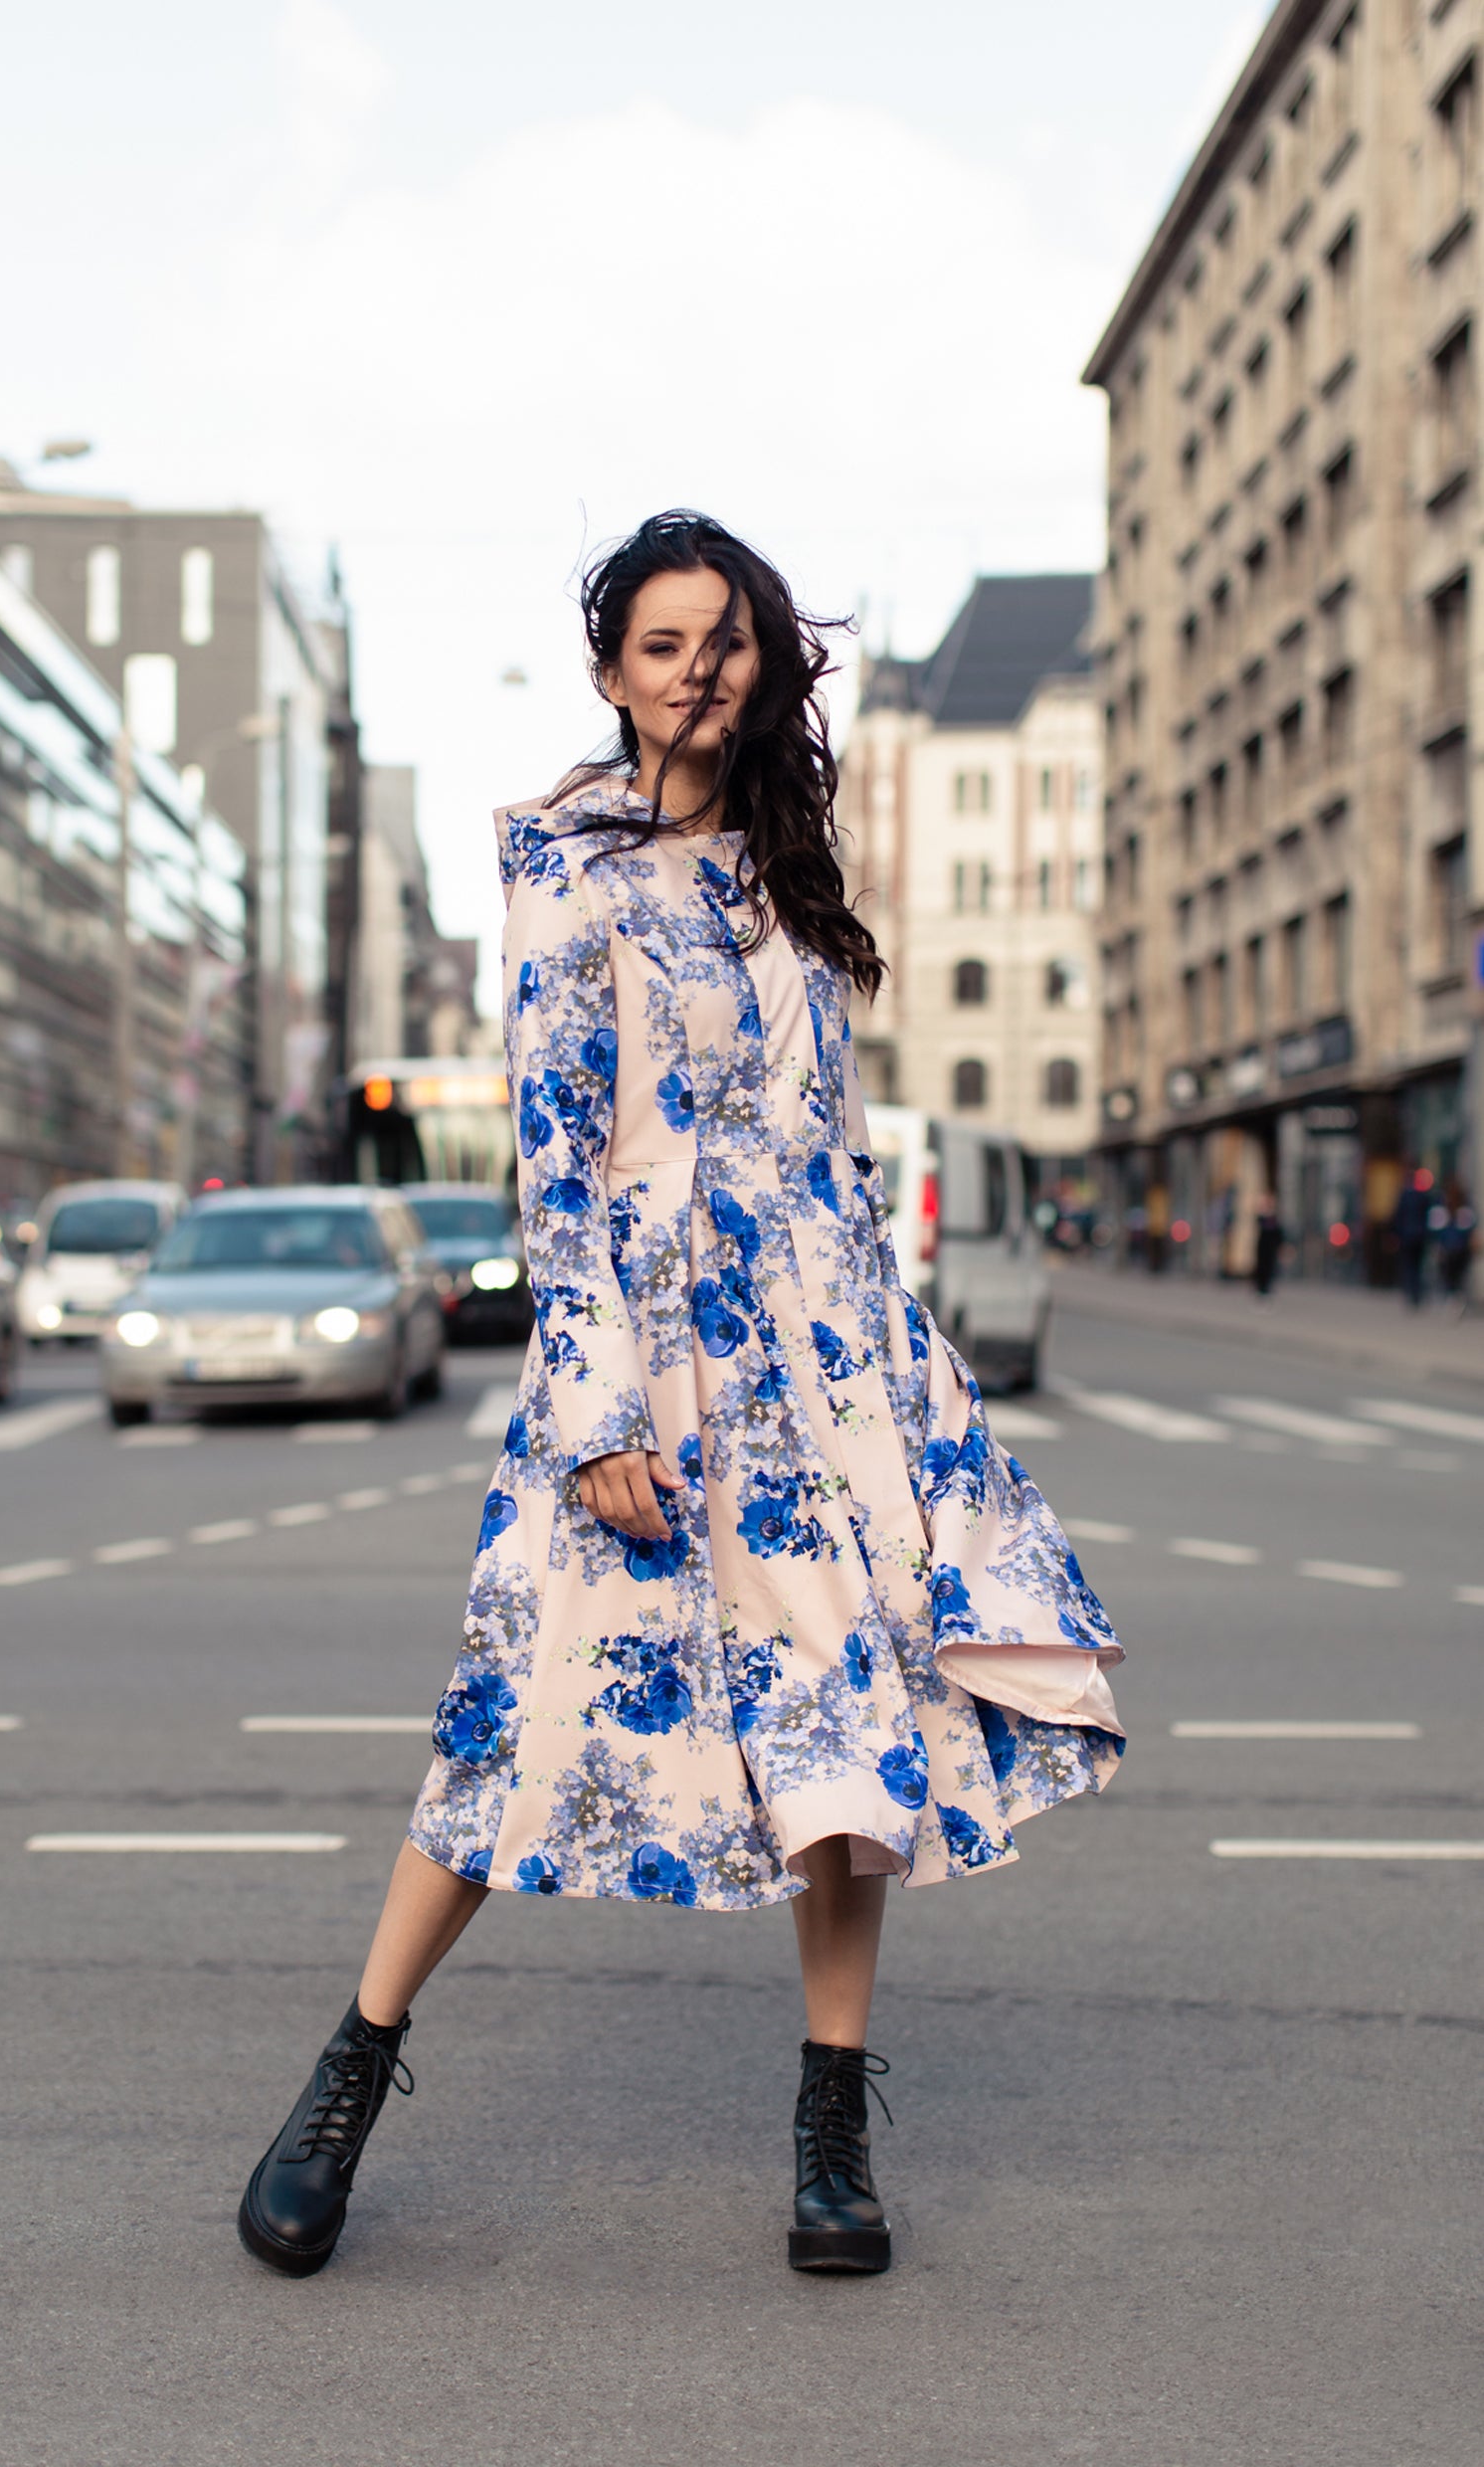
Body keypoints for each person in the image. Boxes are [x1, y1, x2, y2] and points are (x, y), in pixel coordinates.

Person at [236, 511, 1126, 2284]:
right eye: (662, 645)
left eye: (724, 643)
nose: (696, 674)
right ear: (610, 670)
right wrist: (592, 1413)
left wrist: (904, 1375)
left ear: (760, 662)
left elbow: (835, 1155)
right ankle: (349, 2074)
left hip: (826, 1370)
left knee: (844, 1749)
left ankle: (825, 2136)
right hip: (641, 1366)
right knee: (507, 1739)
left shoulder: (791, 878)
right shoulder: (567, 866)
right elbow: (558, 1164)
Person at [1391, 1168, 1435, 1309]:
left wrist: (1396, 1234)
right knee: (1416, 1265)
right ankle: (1415, 1293)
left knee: (1409, 1265)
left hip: (1408, 1236)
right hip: (1419, 1236)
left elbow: (1399, 1216)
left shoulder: (1407, 1195)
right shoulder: (1425, 1197)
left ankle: (1412, 1292)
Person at [1251, 1196, 1283, 1301]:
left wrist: (1280, 1245)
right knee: (1261, 1267)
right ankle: (1260, 1289)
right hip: (1262, 1247)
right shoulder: (1262, 1217)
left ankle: (1267, 1289)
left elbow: (1279, 1233)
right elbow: (1258, 1223)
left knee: (1270, 1267)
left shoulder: (1275, 1218)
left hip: (1271, 1248)